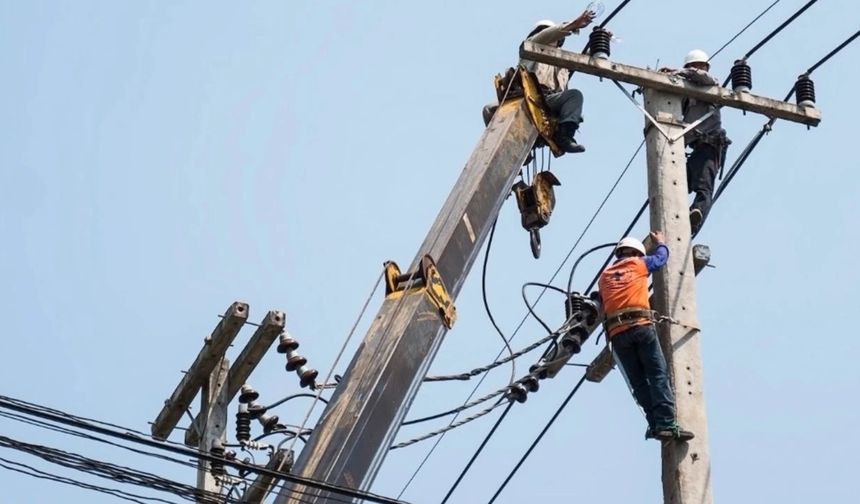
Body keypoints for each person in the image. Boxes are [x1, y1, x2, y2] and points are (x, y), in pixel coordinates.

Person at [598, 232, 694, 441]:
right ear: (636, 253)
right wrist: (661, 242)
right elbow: (661, 259)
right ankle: (666, 422)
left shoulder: (604, 276)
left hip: (617, 334)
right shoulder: (638, 264)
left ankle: (654, 423)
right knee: (657, 374)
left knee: (640, 382)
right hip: (640, 326)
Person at [484, 9, 596, 153]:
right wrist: (573, 24)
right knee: (489, 109)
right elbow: (547, 34)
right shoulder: (531, 46)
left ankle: (564, 137)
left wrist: (600, 41)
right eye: (542, 31)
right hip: (527, 98)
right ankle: (506, 147)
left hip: (550, 102)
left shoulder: (563, 60)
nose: (546, 34)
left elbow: (585, 59)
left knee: (574, 96)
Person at [661, 49, 731, 234]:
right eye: (692, 66)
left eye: (698, 66)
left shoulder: (711, 84)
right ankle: (676, 219)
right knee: (674, 183)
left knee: (704, 188)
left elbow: (701, 77)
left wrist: (677, 72)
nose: (696, 69)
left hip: (710, 147)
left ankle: (696, 216)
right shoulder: (686, 93)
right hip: (695, 149)